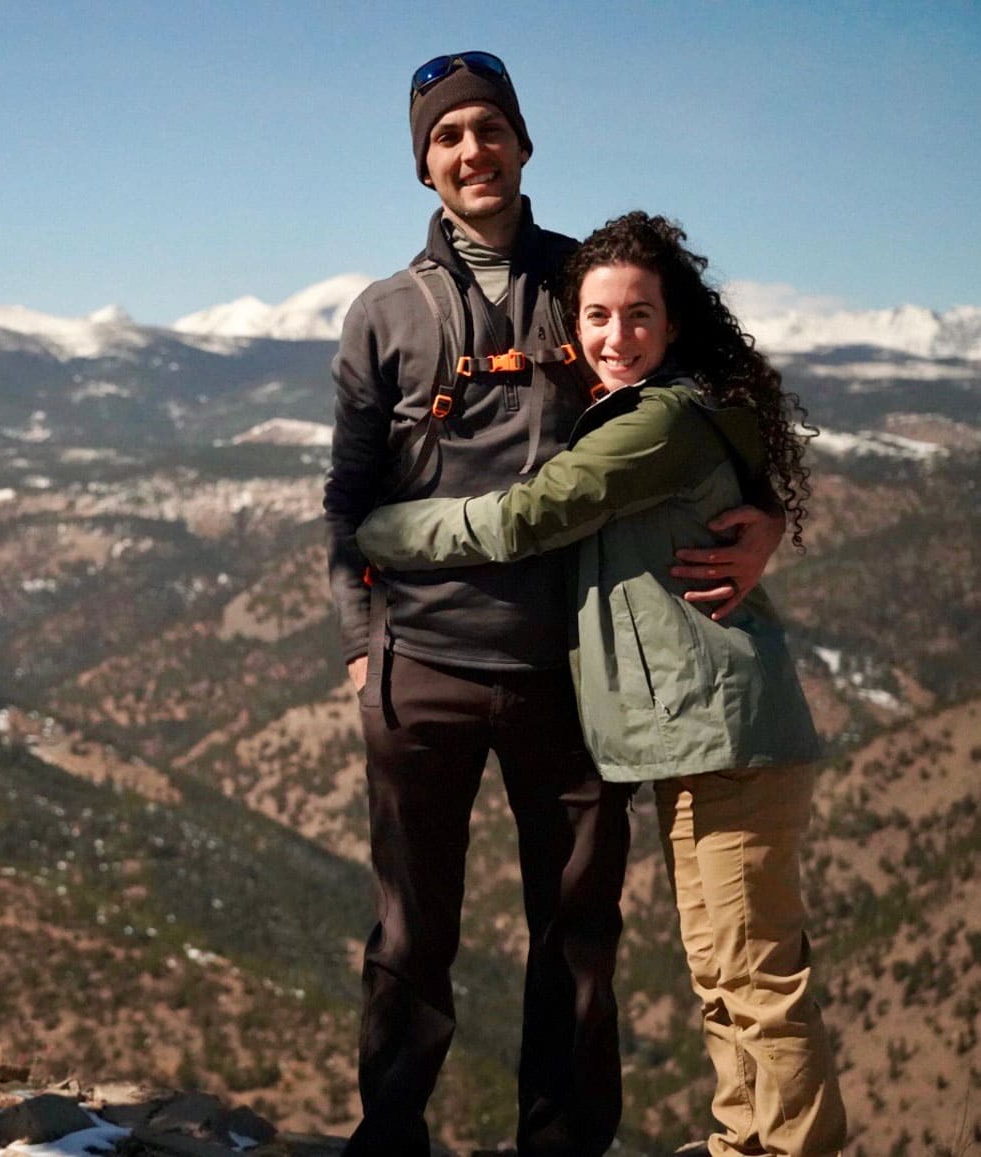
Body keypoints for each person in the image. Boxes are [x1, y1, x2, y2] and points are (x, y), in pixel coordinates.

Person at [323, 52, 785, 1157]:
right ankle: (390, 1136)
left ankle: (565, 1142)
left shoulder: (593, 278)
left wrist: (766, 511)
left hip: (573, 671)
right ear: (423, 166)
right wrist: (358, 643)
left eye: (488, 128)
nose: (471, 150)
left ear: (524, 143)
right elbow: (349, 492)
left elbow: (720, 395)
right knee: (409, 931)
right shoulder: (383, 313)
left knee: (577, 931)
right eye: (447, 137)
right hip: (418, 669)